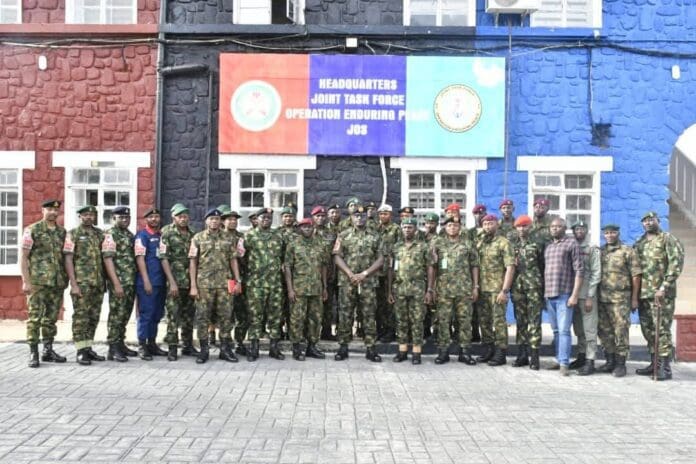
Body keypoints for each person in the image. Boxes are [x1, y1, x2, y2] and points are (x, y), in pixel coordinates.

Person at [634, 211, 684, 380]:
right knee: (648, 330)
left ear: (658, 221)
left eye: (651, 220)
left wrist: (664, 286)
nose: (648, 223)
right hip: (644, 294)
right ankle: (654, 363)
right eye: (645, 221)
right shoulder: (639, 243)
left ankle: (665, 367)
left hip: (661, 294)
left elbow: (676, 264)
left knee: (661, 330)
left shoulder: (667, 239)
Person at [333, 203, 386, 362]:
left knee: (369, 314)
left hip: (368, 282)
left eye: (362, 216)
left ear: (366, 217)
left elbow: (381, 259)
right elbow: (336, 257)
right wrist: (350, 274)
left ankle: (371, 348)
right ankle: (343, 347)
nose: (359, 218)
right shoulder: (343, 235)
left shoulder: (376, 236)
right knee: (345, 314)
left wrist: (364, 274)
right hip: (347, 281)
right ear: (351, 217)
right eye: (356, 215)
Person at [189, 208, 242, 364]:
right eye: (212, 219)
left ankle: (225, 350)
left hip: (225, 284)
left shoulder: (228, 238)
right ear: (206, 221)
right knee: (202, 317)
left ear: (221, 222)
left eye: (217, 219)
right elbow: (193, 262)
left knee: (226, 317)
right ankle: (204, 350)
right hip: (204, 285)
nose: (215, 222)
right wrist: (193, 285)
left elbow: (233, 260)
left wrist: (237, 280)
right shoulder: (197, 238)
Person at [21, 199, 69, 368]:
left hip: (56, 282)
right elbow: (24, 257)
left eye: (56, 210)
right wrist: (26, 281)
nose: (53, 213)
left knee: (51, 319)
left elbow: (66, 257)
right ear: (43, 210)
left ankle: (47, 350)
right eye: (49, 209)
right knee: (35, 318)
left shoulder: (62, 232)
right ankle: (33, 352)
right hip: (38, 282)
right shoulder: (32, 230)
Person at [427, 216, 479, 365]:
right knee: (443, 321)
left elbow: (474, 265)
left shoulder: (468, 244)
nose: (452, 228)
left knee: (465, 321)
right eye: (449, 225)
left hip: (464, 289)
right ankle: (443, 352)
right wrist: (431, 288)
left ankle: (465, 352)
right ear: (445, 227)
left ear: (460, 227)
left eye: (455, 225)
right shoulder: (437, 243)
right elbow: (432, 267)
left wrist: (475, 286)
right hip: (444, 290)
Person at [596, 224, 642, 377]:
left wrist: (634, 298)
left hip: (620, 299)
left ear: (618, 233)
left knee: (621, 331)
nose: (609, 235)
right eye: (607, 233)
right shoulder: (601, 252)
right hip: (602, 298)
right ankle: (610, 361)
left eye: (612, 232)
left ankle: (621, 364)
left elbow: (636, 276)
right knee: (604, 331)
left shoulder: (627, 251)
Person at [64, 205, 105, 365]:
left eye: (91, 214)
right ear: (80, 216)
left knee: (94, 317)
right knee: (81, 317)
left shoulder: (99, 234)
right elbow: (68, 259)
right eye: (85, 215)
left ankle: (88, 347)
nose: (89, 217)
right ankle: (81, 351)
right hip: (82, 283)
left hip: (97, 283)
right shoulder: (72, 234)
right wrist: (73, 284)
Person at [244, 208, 286, 361]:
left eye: (269, 217)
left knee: (275, 317)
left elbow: (283, 258)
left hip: (275, 283)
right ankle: (254, 348)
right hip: (255, 284)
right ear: (257, 219)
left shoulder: (278, 236)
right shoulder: (249, 236)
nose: (266, 220)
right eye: (263, 217)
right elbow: (242, 258)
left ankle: (274, 348)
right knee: (255, 316)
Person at [543, 217, 584, 376]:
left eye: (558, 226)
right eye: (552, 226)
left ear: (564, 228)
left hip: (564, 295)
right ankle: (559, 360)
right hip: (549, 294)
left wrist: (574, 295)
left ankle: (564, 364)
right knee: (556, 331)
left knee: (564, 330)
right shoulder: (548, 246)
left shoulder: (572, 244)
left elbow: (579, 270)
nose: (554, 229)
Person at [284, 218, 328, 361]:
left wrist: (325, 287)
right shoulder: (293, 244)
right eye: (304, 227)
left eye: (309, 227)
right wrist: (290, 289)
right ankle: (296, 348)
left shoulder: (320, 244)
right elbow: (288, 268)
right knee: (297, 319)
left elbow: (324, 267)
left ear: (313, 227)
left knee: (315, 319)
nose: (307, 229)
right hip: (299, 289)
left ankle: (312, 347)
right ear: (299, 229)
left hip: (316, 288)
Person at [387, 217, 429, 365]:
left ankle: (416, 352)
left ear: (415, 230)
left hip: (417, 288)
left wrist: (429, 289)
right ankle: (402, 350)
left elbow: (430, 268)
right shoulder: (396, 247)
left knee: (417, 320)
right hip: (400, 288)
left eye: (410, 227)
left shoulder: (423, 247)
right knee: (401, 320)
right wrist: (390, 291)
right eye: (404, 227)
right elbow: (391, 269)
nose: (407, 230)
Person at [159, 203, 197, 361]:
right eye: (180, 216)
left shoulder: (193, 233)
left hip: (190, 282)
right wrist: (172, 282)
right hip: (173, 282)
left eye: (185, 216)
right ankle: (172, 348)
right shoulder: (166, 233)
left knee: (189, 316)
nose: (183, 219)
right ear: (173, 217)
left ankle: (187, 346)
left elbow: (195, 259)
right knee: (173, 316)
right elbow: (163, 258)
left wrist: (194, 283)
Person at [476, 214, 515, 366]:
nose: (487, 226)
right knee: (484, 321)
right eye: (485, 224)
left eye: (490, 223)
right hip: (482, 289)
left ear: (496, 225)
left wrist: (505, 291)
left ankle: (501, 352)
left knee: (498, 321)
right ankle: (488, 349)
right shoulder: (480, 243)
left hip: (497, 290)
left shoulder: (504, 243)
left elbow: (510, 267)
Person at [102, 206, 137, 363]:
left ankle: (120, 343)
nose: (124, 220)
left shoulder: (129, 235)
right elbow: (108, 259)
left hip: (130, 282)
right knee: (116, 315)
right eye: (121, 217)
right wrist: (116, 283)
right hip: (119, 282)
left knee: (125, 314)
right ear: (113, 219)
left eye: (127, 218)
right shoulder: (110, 235)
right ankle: (113, 348)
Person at [509, 215, 544, 370]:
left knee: (534, 321)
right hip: (517, 287)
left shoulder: (538, 244)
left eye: (524, 226)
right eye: (519, 227)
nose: (521, 229)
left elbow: (543, 266)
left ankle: (535, 356)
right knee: (521, 321)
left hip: (534, 287)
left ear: (530, 227)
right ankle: (522, 354)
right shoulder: (512, 245)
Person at [134, 208, 167, 360]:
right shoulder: (142, 236)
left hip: (160, 282)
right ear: (146, 219)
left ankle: (152, 344)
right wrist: (146, 280)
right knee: (146, 314)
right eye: (151, 217)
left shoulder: (161, 236)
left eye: (156, 216)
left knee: (156, 314)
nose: (154, 219)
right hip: (147, 282)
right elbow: (140, 259)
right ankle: (142, 345)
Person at [568, 221, 601, 373]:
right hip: (573, 294)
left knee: (589, 329)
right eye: (576, 229)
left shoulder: (592, 248)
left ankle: (590, 360)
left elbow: (596, 273)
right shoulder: (571, 247)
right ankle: (581, 356)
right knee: (579, 328)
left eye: (582, 229)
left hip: (587, 294)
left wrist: (590, 296)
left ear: (586, 231)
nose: (579, 231)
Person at [220, 207, 249, 356]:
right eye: (229, 219)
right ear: (223, 221)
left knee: (242, 313)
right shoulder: (219, 236)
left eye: (235, 219)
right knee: (226, 314)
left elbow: (244, 257)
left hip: (239, 279)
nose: (233, 222)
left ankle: (239, 342)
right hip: (223, 280)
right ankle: (225, 343)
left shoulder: (241, 237)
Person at [313, 205, 338, 341]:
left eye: (323, 216)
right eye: (318, 216)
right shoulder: (307, 232)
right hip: (310, 275)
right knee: (313, 305)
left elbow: (335, 255)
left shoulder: (332, 234)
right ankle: (311, 332)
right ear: (313, 217)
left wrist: (334, 272)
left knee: (328, 304)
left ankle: (326, 331)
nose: (321, 218)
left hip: (328, 274)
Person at [376, 204, 400, 342]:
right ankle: (381, 329)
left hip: (390, 271)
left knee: (390, 302)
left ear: (390, 215)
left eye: (385, 214)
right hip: (377, 272)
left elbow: (399, 251)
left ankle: (391, 330)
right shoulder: (376, 229)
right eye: (381, 214)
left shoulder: (396, 229)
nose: (383, 216)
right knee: (379, 303)